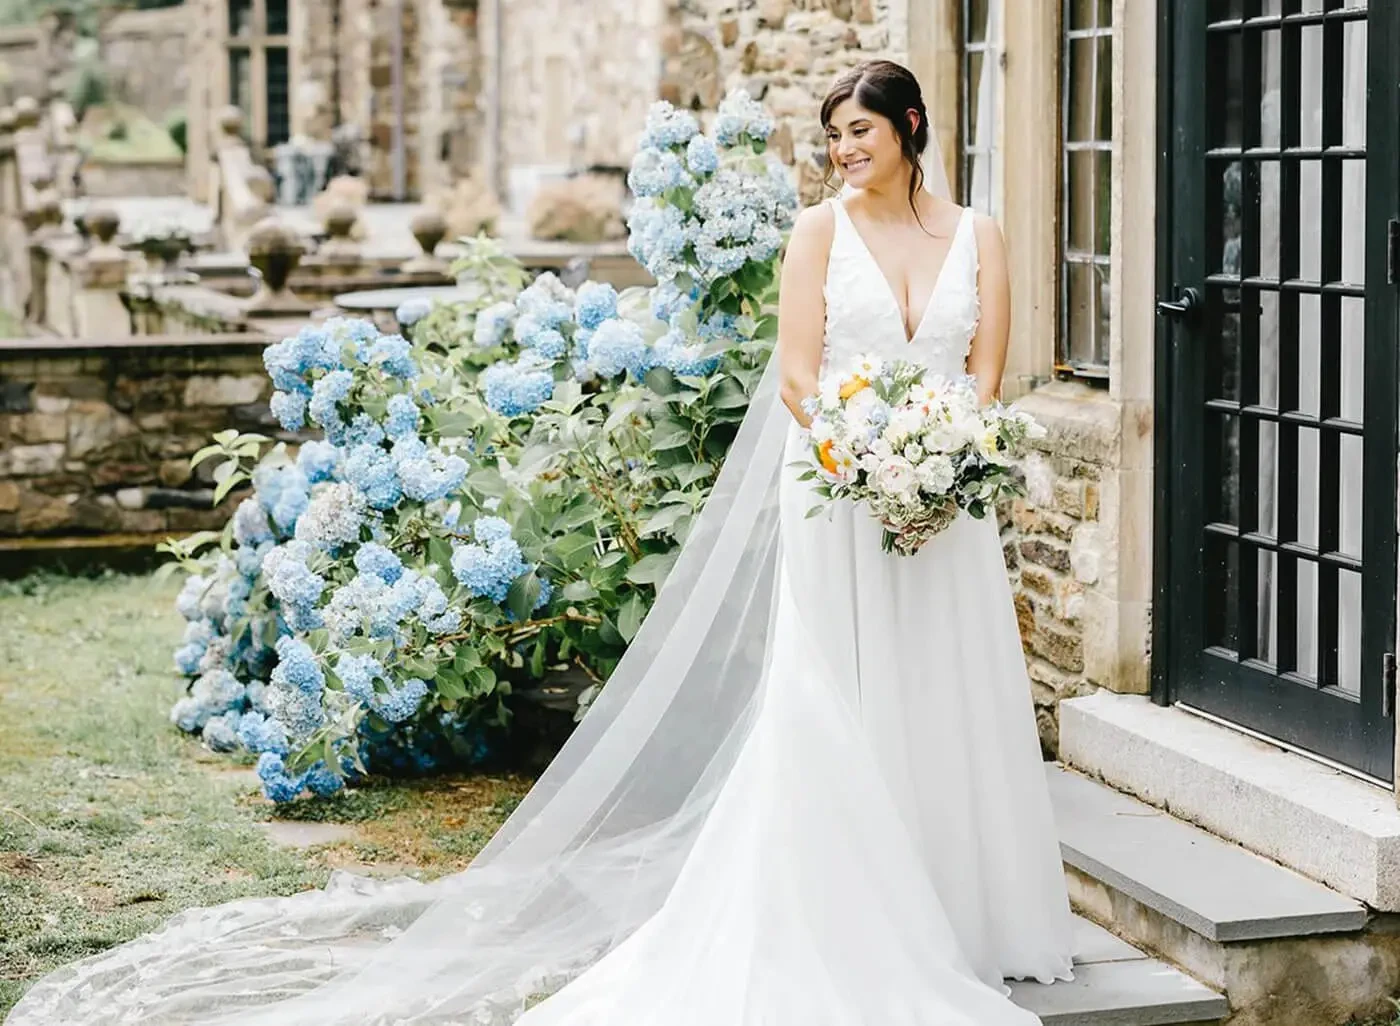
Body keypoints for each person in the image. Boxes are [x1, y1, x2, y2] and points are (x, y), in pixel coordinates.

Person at [6, 61, 1074, 1026]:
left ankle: (959, 909)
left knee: (941, 686)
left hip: (943, 495)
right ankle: (847, 912)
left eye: (860, 131)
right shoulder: (815, 235)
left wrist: (940, 452)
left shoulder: (976, 235)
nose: (843, 149)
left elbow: (983, 372)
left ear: (910, 126)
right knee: (840, 693)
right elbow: (796, 374)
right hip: (839, 490)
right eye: (832, 134)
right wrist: (864, 453)